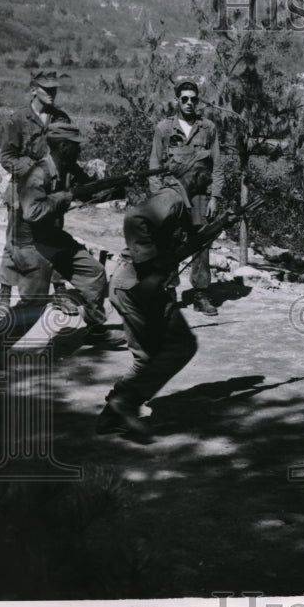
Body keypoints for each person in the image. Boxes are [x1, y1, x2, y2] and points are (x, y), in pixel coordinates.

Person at [0, 123, 126, 368]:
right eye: (76, 146)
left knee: (94, 274)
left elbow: (87, 191)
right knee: (35, 303)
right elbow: (33, 212)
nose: (80, 151)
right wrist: (61, 197)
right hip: (29, 243)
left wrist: (115, 189)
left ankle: (96, 330)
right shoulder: (36, 174)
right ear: (63, 147)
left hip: (52, 237)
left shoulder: (69, 168)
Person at [97, 152, 212, 438]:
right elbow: (135, 220)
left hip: (138, 285)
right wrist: (150, 263)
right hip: (137, 284)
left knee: (150, 356)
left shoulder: (178, 202)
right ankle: (124, 402)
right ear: (195, 174)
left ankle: (113, 414)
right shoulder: (171, 199)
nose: (211, 178)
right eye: (207, 172)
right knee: (180, 345)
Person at [0, 70, 78, 314]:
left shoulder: (62, 118)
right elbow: (7, 157)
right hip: (23, 189)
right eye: (46, 89)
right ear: (34, 89)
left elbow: (69, 155)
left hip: (53, 191)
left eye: (54, 89)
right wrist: (35, 169)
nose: (52, 93)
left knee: (54, 239)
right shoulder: (18, 119)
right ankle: (4, 293)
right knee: (15, 242)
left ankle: (60, 291)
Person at [149, 78, 223, 316]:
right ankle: (169, 293)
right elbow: (154, 166)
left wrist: (215, 197)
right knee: (170, 243)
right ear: (177, 100)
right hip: (172, 195)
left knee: (201, 242)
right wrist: (159, 199)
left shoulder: (208, 128)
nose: (189, 103)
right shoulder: (164, 129)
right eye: (185, 99)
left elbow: (217, 165)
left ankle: (201, 294)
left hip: (201, 196)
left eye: (194, 99)